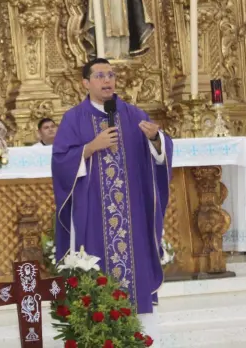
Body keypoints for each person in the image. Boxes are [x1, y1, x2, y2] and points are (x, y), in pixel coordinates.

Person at [51, 58, 172, 320]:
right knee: (96, 272)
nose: (107, 80)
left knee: (134, 271)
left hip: (132, 211)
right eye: (100, 76)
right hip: (93, 209)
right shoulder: (74, 118)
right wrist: (91, 146)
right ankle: (98, 321)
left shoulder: (134, 114)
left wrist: (155, 139)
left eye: (111, 75)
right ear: (85, 83)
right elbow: (61, 161)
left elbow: (161, 153)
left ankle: (137, 324)